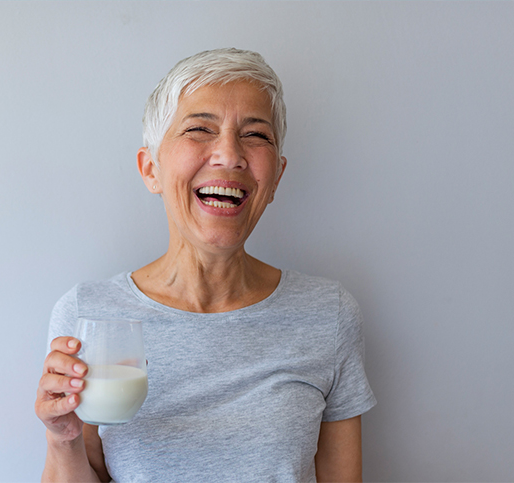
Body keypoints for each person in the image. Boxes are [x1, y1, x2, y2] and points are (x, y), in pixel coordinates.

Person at [35, 48, 376, 482]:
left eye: (256, 136)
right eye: (200, 129)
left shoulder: (329, 315)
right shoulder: (88, 314)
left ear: (275, 179)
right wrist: (61, 439)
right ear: (150, 168)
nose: (229, 155)